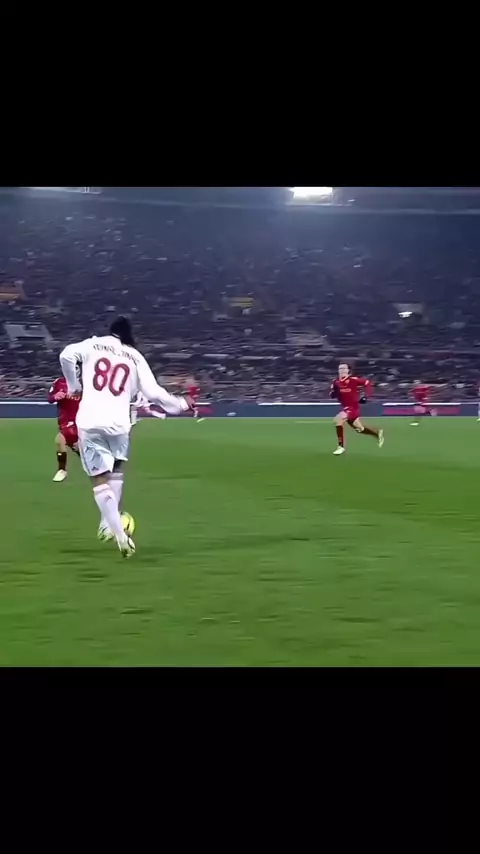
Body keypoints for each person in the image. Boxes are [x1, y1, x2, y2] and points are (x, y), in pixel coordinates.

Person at [59, 316, 193, 558]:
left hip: (90, 420)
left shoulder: (93, 344)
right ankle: (106, 524)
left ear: (110, 331)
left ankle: (119, 535)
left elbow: (66, 355)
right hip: (120, 424)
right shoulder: (134, 356)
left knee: (99, 479)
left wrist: (73, 386)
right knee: (116, 470)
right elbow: (154, 392)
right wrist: (181, 404)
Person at [330, 363, 384, 456]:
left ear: (348, 370)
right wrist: (334, 393)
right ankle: (377, 434)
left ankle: (341, 447)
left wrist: (366, 396)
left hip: (353, 408)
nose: (342, 370)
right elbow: (333, 394)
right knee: (360, 429)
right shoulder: (336, 382)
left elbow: (367, 383)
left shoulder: (353, 380)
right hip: (345, 408)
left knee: (338, 419)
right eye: (340, 368)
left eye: (344, 368)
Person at [47, 376, 81, 482]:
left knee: (67, 442)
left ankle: (62, 470)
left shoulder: (86, 381)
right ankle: (62, 470)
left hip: (82, 417)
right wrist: (55, 396)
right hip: (66, 419)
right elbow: (50, 398)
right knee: (63, 442)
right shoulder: (59, 382)